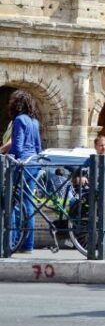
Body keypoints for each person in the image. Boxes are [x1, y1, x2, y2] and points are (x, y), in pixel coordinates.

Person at [7, 90, 42, 253]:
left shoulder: (19, 120)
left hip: (21, 165)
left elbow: (17, 147)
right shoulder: (34, 121)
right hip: (34, 163)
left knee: (11, 203)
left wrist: (9, 160)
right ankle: (28, 244)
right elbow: (38, 147)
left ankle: (11, 242)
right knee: (28, 204)